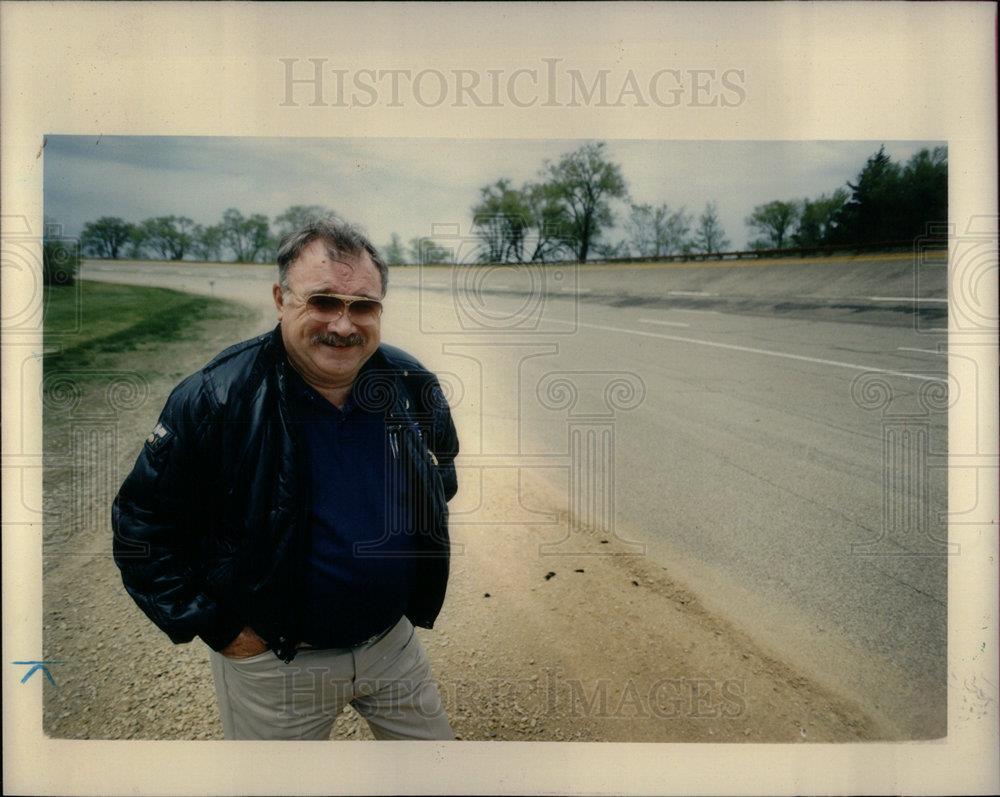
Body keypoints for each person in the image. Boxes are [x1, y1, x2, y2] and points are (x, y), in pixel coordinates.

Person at [112, 217, 459, 740]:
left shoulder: (407, 381)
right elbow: (141, 528)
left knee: (438, 776)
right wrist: (224, 630)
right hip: (276, 665)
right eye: (323, 302)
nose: (344, 325)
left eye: (363, 306)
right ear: (281, 299)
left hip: (394, 646)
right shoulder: (216, 398)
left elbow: (441, 462)